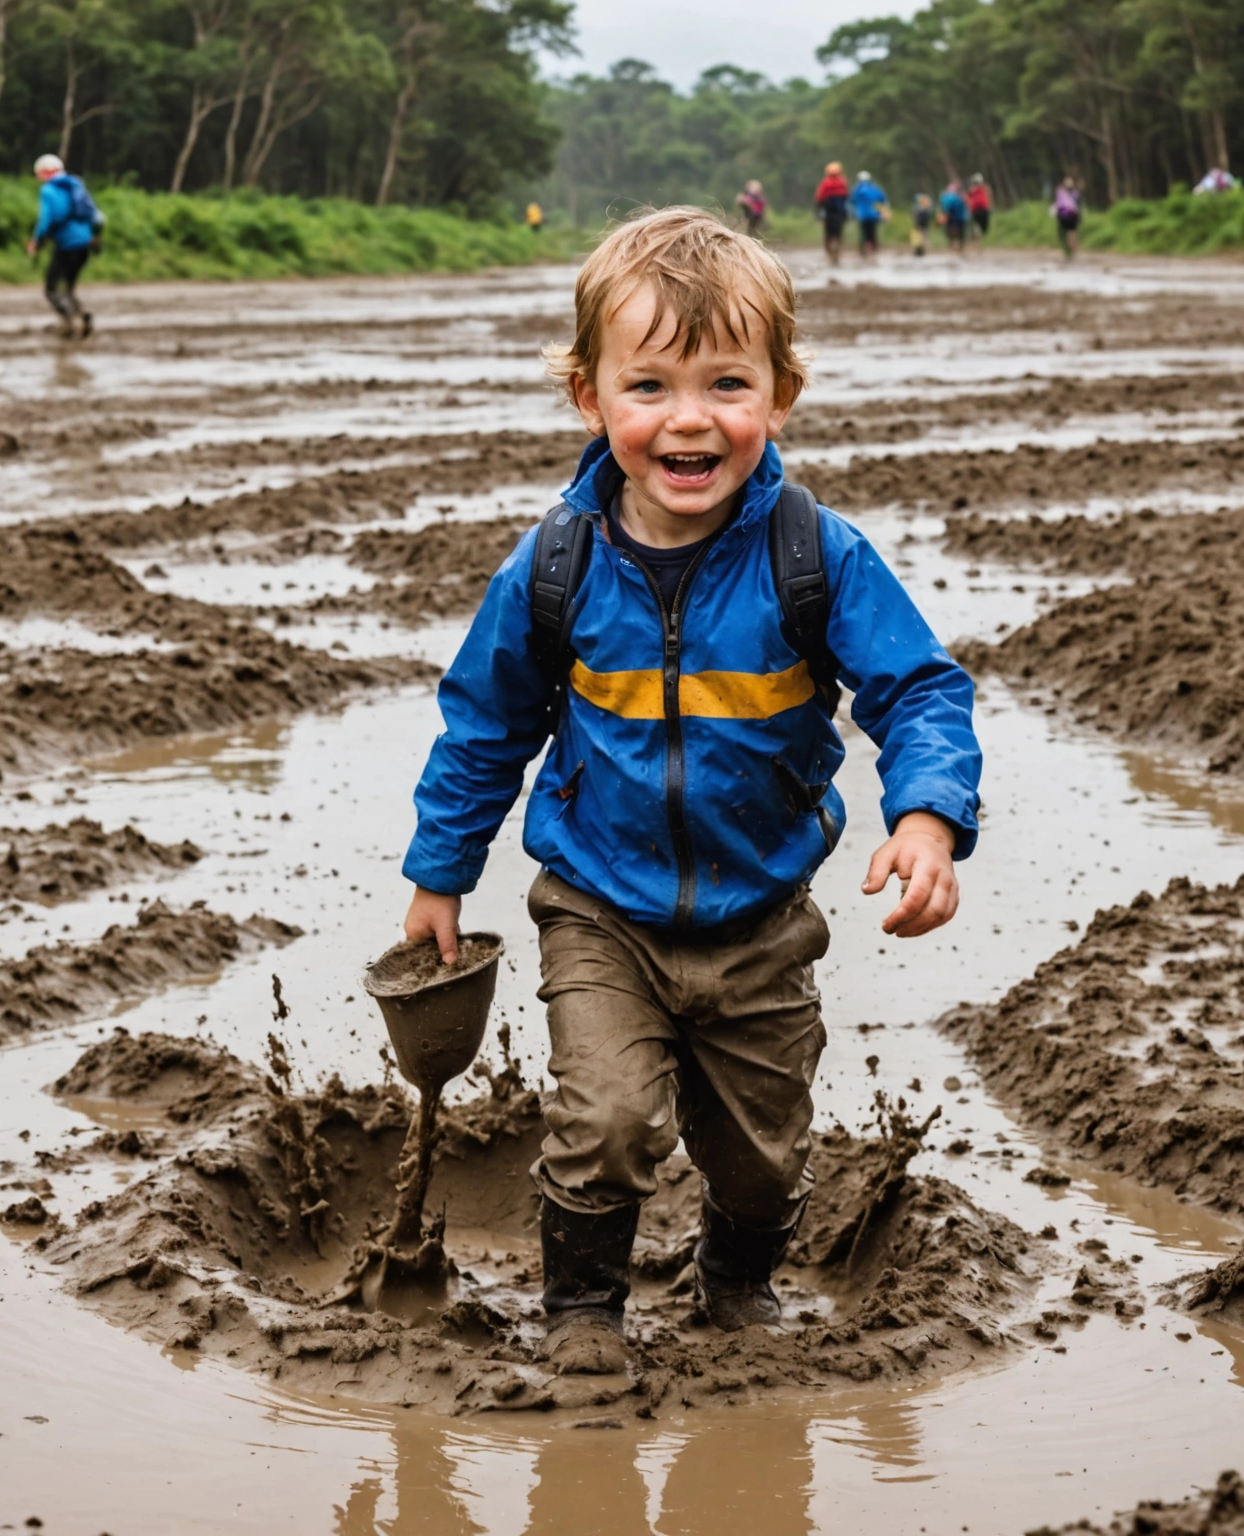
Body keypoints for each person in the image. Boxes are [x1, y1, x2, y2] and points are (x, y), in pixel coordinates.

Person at [398, 206, 982, 1374]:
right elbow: (486, 725)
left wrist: (926, 817)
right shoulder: (555, 563)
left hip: (763, 917)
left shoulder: (814, 557)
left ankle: (734, 1281)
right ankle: (583, 1308)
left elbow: (919, 691)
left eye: (727, 383)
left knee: (763, 1155)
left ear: (780, 393)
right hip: (598, 907)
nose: (689, 419)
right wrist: (438, 875)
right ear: (589, 396)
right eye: (650, 384)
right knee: (608, 1119)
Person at [25, 153, 102, 338]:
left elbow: (47, 219)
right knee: (68, 287)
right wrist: (95, 236)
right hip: (85, 244)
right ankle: (82, 317)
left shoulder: (49, 190)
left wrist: (37, 240)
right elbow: (96, 216)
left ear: (46, 172)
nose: (38, 179)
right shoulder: (76, 185)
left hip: (67, 245)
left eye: (39, 174)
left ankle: (69, 322)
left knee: (51, 288)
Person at [813, 161, 850, 265]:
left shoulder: (825, 182)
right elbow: (847, 196)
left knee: (828, 234)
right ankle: (837, 252)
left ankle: (829, 252)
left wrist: (818, 209)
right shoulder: (842, 182)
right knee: (839, 234)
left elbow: (819, 197)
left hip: (828, 213)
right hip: (840, 213)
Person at [850, 171, 889, 257]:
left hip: (862, 216)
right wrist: (883, 213)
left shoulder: (857, 189)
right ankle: (874, 251)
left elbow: (852, 200)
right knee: (872, 234)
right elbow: (883, 200)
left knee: (863, 234)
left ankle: (863, 252)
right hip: (874, 216)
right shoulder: (875, 189)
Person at [1052, 176, 1082, 259]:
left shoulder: (1061, 193)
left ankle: (1068, 249)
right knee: (1072, 232)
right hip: (1073, 216)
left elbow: (1058, 205)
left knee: (1066, 233)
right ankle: (1074, 249)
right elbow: (1078, 205)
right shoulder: (1076, 193)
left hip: (1063, 217)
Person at [939, 178, 968, 253]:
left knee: (952, 231)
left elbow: (945, 206)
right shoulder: (961, 195)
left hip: (953, 217)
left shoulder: (947, 196)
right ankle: (959, 246)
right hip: (958, 217)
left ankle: (954, 246)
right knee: (959, 232)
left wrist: (945, 213)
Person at [967, 174, 992, 242]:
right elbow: (988, 198)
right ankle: (979, 236)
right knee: (984, 226)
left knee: (975, 224)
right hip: (983, 210)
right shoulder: (985, 188)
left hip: (975, 210)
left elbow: (968, 199)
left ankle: (975, 235)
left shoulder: (971, 190)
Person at [910, 191, 933, 256]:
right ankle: (919, 251)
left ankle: (921, 251)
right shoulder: (919, 208)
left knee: (921, 240)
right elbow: (916, 218)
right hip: (920, 226)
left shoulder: (922, 208)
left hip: (922, 226)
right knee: (919, 240)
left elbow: (916, 217)